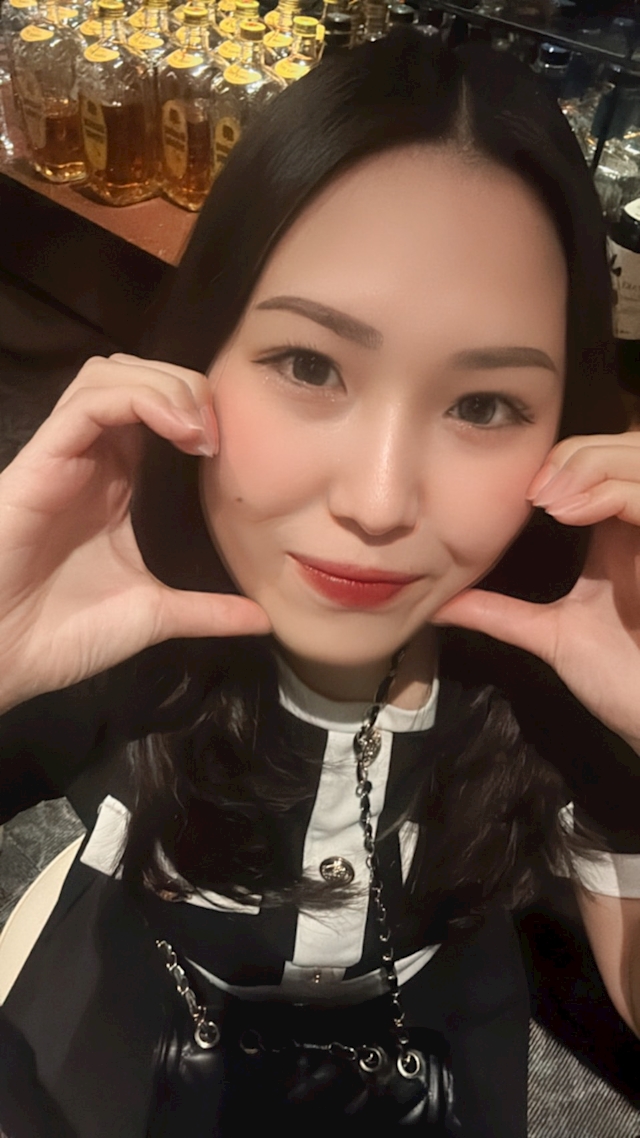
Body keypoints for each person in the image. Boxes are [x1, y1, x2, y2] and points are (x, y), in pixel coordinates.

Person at [0, 28, 638, 1138]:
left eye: (483, 405)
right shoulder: (117, 618)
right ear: (198, 353)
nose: (380, 502)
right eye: (309, 365)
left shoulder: (560, 662)